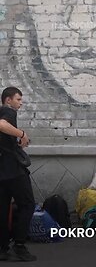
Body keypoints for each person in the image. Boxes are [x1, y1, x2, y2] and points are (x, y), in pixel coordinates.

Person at [0, 87, 36, 261]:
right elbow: (1, 125)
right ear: (8, 100)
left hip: (2, 172)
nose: (20, 103)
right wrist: (22, 134)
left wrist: (17, 143)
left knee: (2, 209)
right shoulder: (8, 111)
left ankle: (2, 248)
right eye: (18, 99)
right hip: (13, 171)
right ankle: (19, 245)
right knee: (28, 204)